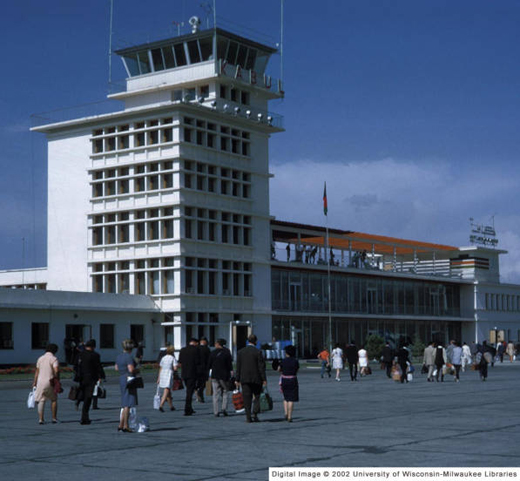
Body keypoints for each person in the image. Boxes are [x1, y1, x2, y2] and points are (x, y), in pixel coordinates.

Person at [236, 334, 267, 423]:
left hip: (244, 378)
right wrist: (264, 379)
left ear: (248, 341)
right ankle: (255, 413)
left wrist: (237, 379)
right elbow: (261, 367)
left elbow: (238, 367)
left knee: (246, 398)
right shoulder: (258, 352)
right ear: (256, 341)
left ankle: (248, 416)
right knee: (257, 396)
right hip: (256, 378)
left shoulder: (241, 352)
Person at [76, 339, 105, 425]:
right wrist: (101, 376)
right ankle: (84, 417)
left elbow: (75, 365)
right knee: (88, 397)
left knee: (83, 393)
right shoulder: (95, 355)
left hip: (81, 377)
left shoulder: (80, 355)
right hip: (91, 378)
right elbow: (98, 367)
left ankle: (79, 401)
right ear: (93, 347)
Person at [33, 343, 60, 425]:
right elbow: (56, 370)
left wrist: (34, 382)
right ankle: (54, 418)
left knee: (41, 400)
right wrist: (57, 379)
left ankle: (41, 419)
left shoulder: (40, 358)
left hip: (40, 382)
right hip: (50, 381)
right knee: (54, 399)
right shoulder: (54, 358)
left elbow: (37, 372)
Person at [115, 339, 138, 432]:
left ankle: (121, 424)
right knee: (128, 403)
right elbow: (131, 369)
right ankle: (126, 425)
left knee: (124, 402)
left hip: (122, 378)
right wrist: (138, 370)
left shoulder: (119, 356)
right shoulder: (129, 357)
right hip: (129, 379)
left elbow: (116, 368)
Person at [208, 338, 233, 417]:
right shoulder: (227, 352)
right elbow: (229, 364)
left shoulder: (213, 353)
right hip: (224, 375)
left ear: (218, 344)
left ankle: (216, 411)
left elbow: (209, 364)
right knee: (225, 391)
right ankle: (224, 408)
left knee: (215, 393)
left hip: (215, 375)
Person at [178, 338, 201, 416]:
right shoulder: (196, 350)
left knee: (188, 390)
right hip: (192, 373)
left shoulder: (182, 350)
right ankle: (187, 409)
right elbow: (198, 362)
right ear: (194, 343)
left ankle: (189, 408)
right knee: (189, 392)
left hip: (184, 373)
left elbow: (180, 362)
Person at [278, 344, 299, 422]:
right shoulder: (295, 361)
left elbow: (279, 369)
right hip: (293, 379)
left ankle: (286, 413)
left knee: (285, 397)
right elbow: (297, 370)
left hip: (284, 380)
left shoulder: (283, 361)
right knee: (291, 398)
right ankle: (290, 416)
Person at [157, 345, 178, 412]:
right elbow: (175, 368)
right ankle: (161, 405)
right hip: (169, 374)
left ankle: (171, 406)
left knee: (168, 391)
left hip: (163, 374)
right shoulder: (172, 358)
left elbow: (161, 367)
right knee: (167, 389)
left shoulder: (163, 358)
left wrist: (158, 377)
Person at [196, 337, 211, 403]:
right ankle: (200, 393)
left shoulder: (196, 348)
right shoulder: (207, 349)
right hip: (205, 368)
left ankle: (199, 395)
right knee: (204, 383)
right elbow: (209, 359)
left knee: (198, 382)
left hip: (197, 368)